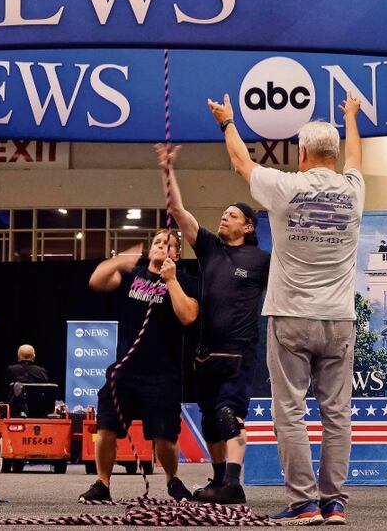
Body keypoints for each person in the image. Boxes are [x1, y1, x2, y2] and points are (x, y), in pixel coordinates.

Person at [208, 92, 364, 525]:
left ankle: (305, 503)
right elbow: (356, 157)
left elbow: (241, 163)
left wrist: (227, 123)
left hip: (291, 317)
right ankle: (334, 504)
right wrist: (352, 117)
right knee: (337, 415)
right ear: (333, 155)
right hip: (339, 319)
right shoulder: (354, 190)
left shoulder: (285, 186)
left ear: (303, 153)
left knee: (290, 412)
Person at [155, 143, 271, 505]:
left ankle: (234, 483)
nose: (224, 217)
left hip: (239, 353)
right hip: (205, 355)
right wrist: (168, 171)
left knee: (227, 414)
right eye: (223, 214)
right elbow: (178, 211)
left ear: (248, 226)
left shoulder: (261, 260)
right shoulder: (209, 248)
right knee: (209, 419)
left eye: (232, 215)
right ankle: (220, 481)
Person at [78, 229, 200, 503]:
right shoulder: (133, 277)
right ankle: (102, 483)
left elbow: (189, 316)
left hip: (162, 374)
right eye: (157, 242)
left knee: (165, 436)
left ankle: (172, 480)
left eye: (168, 244)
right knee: (106, 428)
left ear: (176, 254)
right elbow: (96, 281)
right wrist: (121, 259)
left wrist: (171, 280)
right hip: (124, 372)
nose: (161, 246)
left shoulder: (185, 281)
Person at [2, 344, 49, 416]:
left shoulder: (10, 370)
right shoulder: (42, 372)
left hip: (14, 412)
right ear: (34, 356)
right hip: (39, 413)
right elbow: (47, 393)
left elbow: (4, 391)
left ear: (18, 356)